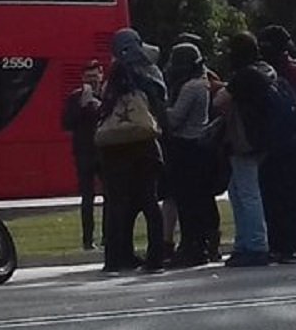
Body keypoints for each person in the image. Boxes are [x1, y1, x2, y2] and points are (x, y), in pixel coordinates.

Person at [96, 29, 168, 273]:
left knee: (117, 205)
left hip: (115, 151)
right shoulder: (150, 73)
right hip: (144, 146)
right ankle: (155, 256)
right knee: (149, 202)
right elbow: (160, 110)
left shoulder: (113, 77)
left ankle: (117, 256)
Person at [216, 31, 276, 267]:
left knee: (246, 194)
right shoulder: (264, 71)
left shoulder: (244, 75)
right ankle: (247, 242)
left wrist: (218, 86)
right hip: (259, 137)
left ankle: (254, 244)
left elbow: (220, 100)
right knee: (240, 192)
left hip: (244, 140)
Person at [257, 25, 296, 260]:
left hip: (281, 141)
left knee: (279, 195)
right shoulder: (294, 69)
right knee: (293, 194)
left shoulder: (277, 72)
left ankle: (285, 242)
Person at [162, 43, 220, 267]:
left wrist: (159, 109)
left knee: (188, 202)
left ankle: (192, 247)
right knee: (198, 200)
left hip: (187, 146)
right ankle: (202, 244)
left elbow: (175, 119)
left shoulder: (191, 87)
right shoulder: (202, 84)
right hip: (198, 146)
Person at [59, 63, 104, 250]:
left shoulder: (108, 94)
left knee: (110, 195)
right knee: (87, 198)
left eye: (95, 76)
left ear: (101, 75)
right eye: (88, 77)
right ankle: (88, 240)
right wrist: (82, 106)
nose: (92, 80)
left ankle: (109, 237)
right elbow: (66, 123)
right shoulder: (75, 98)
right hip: (84, 152)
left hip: (105, 150)